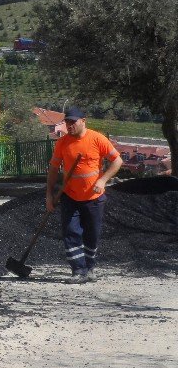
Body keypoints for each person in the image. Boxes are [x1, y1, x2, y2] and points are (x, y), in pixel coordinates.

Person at [46, 106, 122, 283]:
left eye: (73, 122)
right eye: (67, 122)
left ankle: (89, 267)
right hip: (70, 196)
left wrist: (102, 180)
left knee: (92, 234)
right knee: (71, 232)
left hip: (94, 198)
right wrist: (49, 195)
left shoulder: (97, 139)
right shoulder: (62, 143)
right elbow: (53, 170)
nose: (70, 125)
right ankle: (78, 270)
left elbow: (117, 160)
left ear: (83, 121)